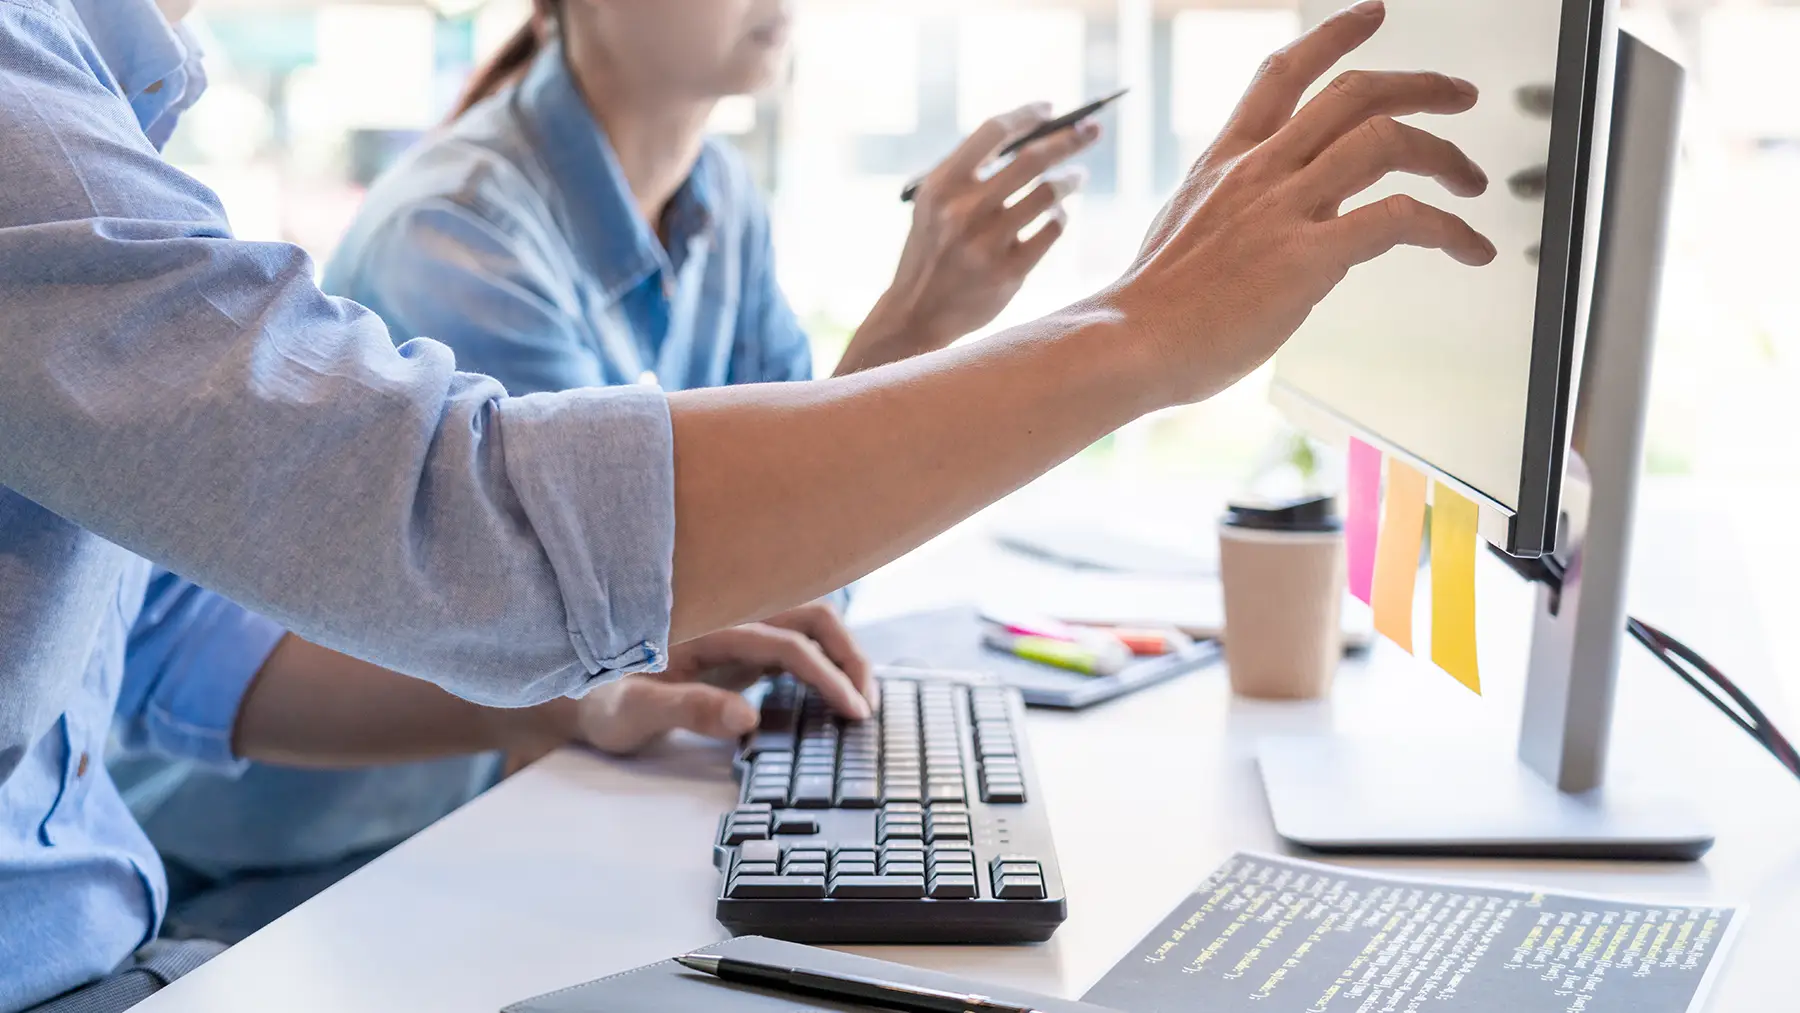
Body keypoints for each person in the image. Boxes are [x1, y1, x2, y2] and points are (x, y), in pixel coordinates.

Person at [0, 0, 1494, 1008]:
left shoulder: (104, 103)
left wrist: (571, 703)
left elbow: (172, 634)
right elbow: (493, 546)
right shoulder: (71, 119)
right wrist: (1139, 334)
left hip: (142, 934)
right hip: (232, 901)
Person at [129, 0, 1100, 919]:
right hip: (302, 861)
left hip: (512, 798)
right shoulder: (457, 234)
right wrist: (916, 325)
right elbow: (606, 614)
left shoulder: (720, 199)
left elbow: (778, 595)